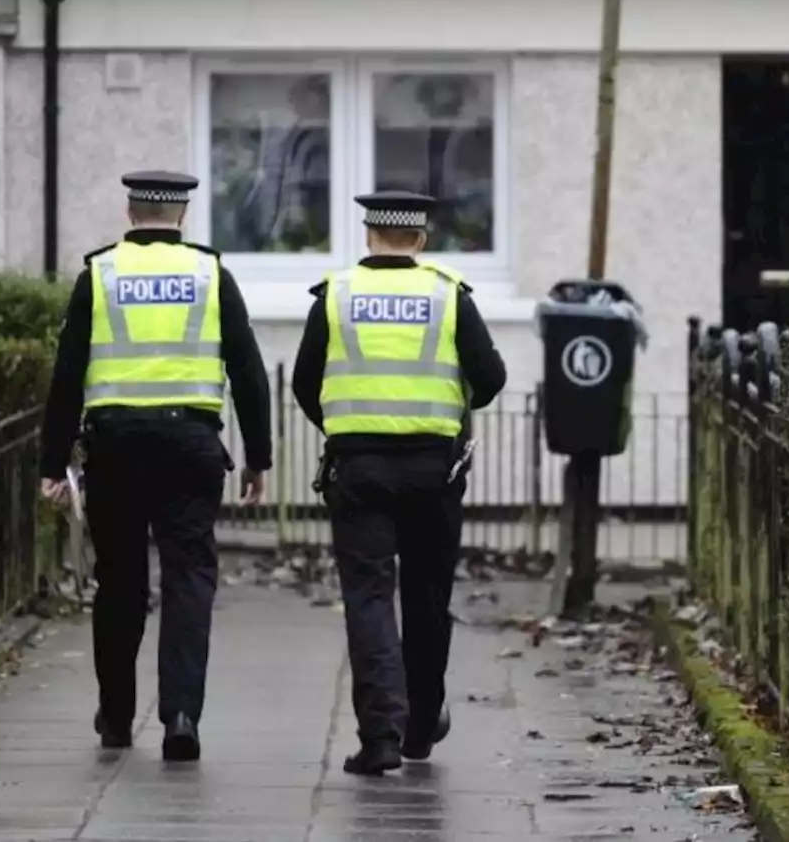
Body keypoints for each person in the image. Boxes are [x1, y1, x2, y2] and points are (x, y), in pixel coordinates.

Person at [38, 170, 272, 762]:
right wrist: (258, 458)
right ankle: (182, 715)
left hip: (115, 448)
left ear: (130, 210)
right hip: (190, 446)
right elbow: (248, 370)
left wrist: (51, 461)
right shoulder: (210, 274)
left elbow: (67, 375)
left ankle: (117, 717)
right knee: (189, 576)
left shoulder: (101, 274)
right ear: (182, 216)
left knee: (118, 581)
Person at [291, 190, 506, 776]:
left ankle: (380, 735)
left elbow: (305, 382)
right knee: (427, 597)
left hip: (358, 469)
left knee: (368, 597)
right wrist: (447, 408)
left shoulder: (336, 294)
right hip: (433, 469)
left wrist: (348, 423)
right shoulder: (447, 295)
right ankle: (421, 725)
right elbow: (490, 377)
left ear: (369, 236)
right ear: (421, 239)